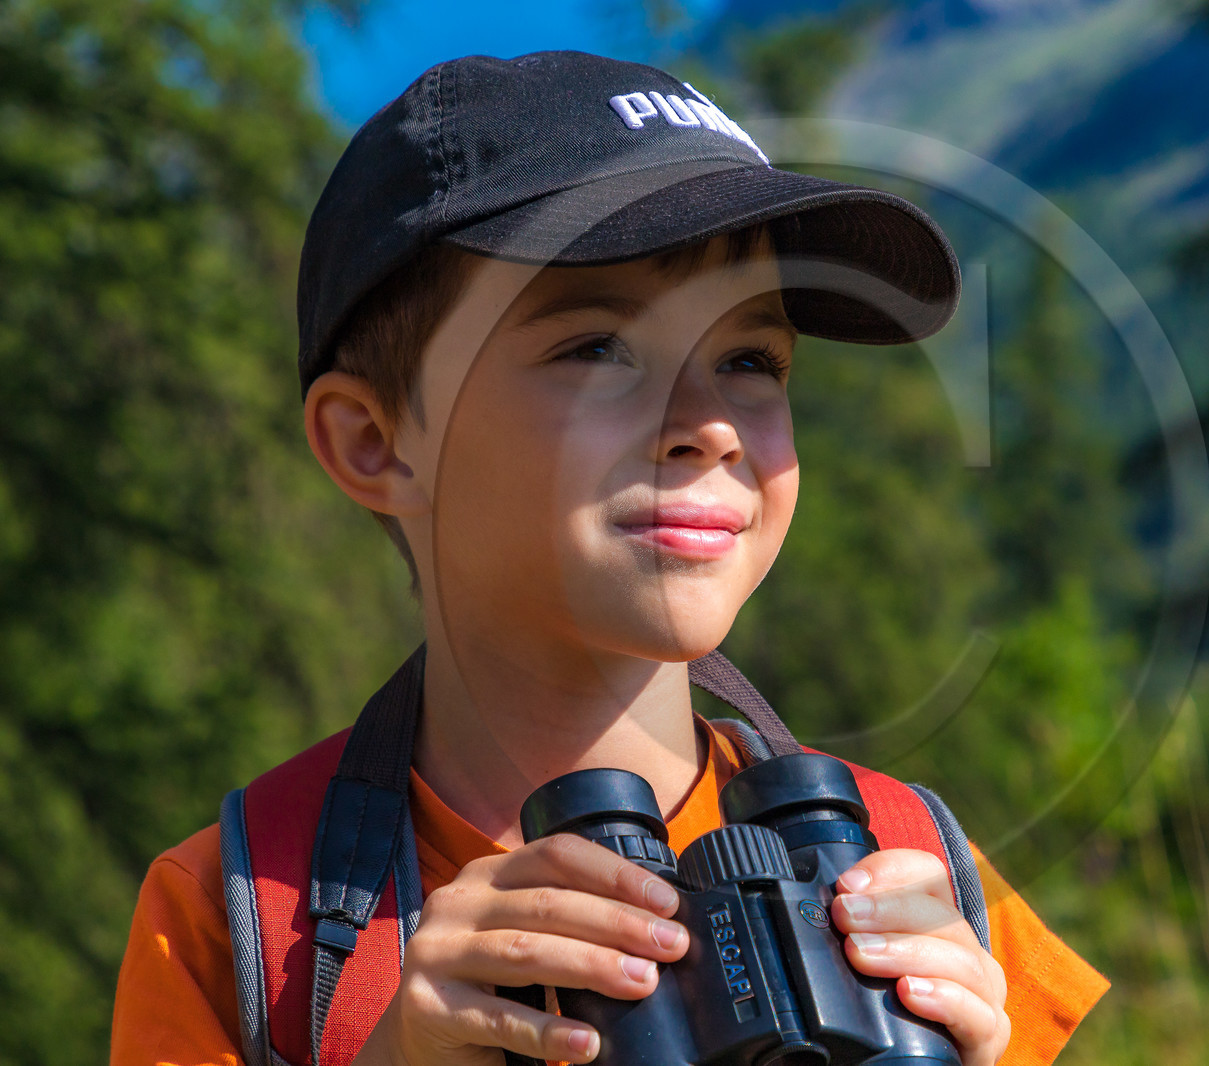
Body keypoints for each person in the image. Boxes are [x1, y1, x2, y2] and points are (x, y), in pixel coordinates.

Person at [109, 51, 1108, 1066]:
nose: (710, 424)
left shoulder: (909, 872)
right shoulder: (233, 919)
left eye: (751, 360)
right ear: (378, 443)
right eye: (597, 348)